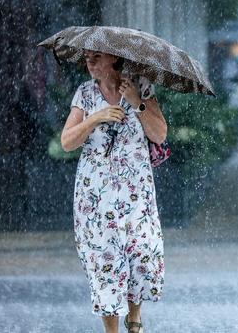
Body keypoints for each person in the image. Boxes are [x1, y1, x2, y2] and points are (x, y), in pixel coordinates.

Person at [61, 50, 167, 333]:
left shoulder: (140, 85)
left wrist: (137, 103)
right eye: (87, 58)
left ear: (115, 59)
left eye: (96, 57)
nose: (90, 62)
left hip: (136, 191)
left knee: (142, 253)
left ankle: (134, 319)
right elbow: (67, 141)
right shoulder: (84, 93)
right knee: (104, 261)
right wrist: (95, 118)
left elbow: (159, 134)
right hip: (96, 196)